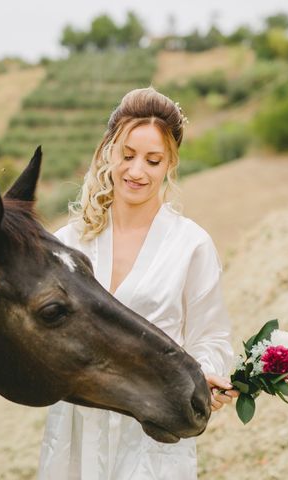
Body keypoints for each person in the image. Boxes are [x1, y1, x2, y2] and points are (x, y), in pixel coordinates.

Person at [38, 87, 238, 480]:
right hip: (78, 425)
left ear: (170, 164)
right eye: (127, 155)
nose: (136, 171)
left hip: (154, 426)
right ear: (108, 151)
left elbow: (212, 337)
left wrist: (203, 376)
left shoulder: (191, 244)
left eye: (153, 160)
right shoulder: (67, 242)